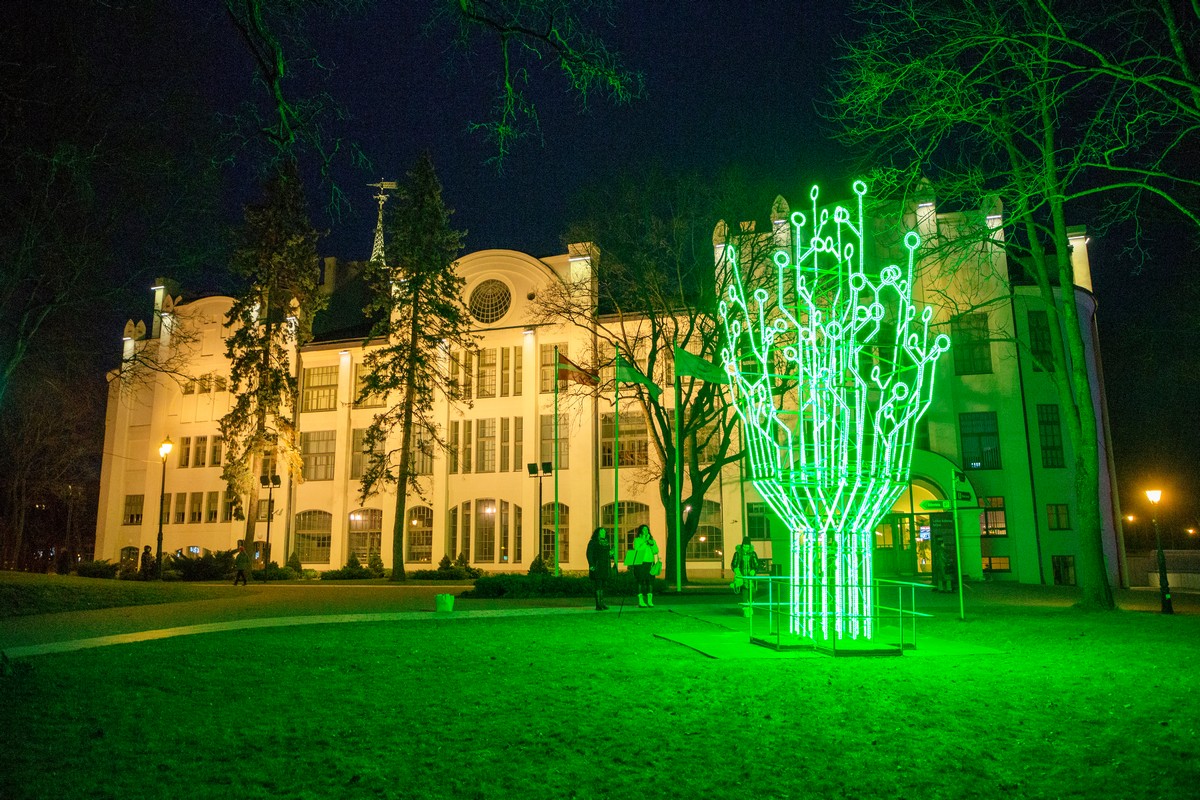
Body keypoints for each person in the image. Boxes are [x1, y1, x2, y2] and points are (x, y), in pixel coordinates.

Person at [629, 523, 660, 608]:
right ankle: (641, 600)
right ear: (640, 531)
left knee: (650, 581)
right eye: (644, 529)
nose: (646, 531)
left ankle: (650, 600)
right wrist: (644, 541)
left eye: (647, 529)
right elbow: (637, 549)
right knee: (640, 581)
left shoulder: (651, 540)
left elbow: (656, 551)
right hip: (640, 563)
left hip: (649, 563)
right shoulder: (637, 540)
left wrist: (652, 544)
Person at [585, 527, 615, 610]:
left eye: (604, 532)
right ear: (597, 533)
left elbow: (607, 555)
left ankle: (602, 603)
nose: (603, 533)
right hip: (597, 566)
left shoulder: (606, 543)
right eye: (602, 532)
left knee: (603, 586)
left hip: (605, 567)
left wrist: (611, 554)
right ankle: (598, 604)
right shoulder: (593, 542)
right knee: (598, 585)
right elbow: (589, 554)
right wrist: (591, 564)